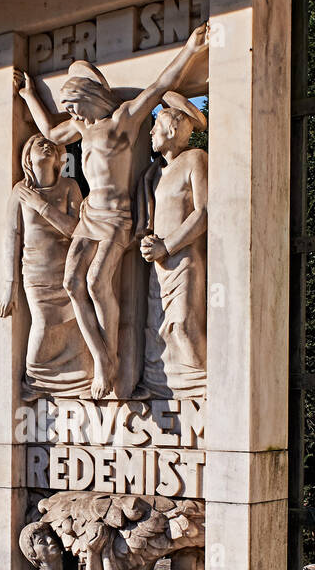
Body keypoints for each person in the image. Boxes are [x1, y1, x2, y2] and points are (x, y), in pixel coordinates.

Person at [14, 22, 209, 399]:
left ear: (89, 97)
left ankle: (109, 362)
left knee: (95, 283)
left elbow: (156, 87)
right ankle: (101, 358)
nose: (73, 114)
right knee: (72, 284)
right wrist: (28, 96)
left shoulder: (122, 122)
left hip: (116, 219)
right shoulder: (82, 129)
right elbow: (50, 133)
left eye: (75, 106)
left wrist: (190, 49)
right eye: (69, 109)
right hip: (89, 216)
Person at [0, 132, 91, 396]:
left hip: (69, 271)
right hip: (36, 272)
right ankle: (35, 380)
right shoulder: (20, 191)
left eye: (51, 145)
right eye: (40, 144)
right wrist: (9, 286)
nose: (47, 148)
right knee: (44, 323)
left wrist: (42, 207)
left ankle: (78, 382)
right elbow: (11, 238)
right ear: (27, 156)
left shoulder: (70, 187)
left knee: (75, 327)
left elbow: (79, 230)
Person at [135, 92, 208, 398]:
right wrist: (149, 242)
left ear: (173, 128)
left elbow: (204, 212)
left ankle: (203, 387)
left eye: (156, 125)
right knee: (156, 330)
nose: (151, 131)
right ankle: (157, 388)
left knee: (183, 325)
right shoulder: (154, 174)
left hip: (184, 259)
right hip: (158, 264)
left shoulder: (196, 159)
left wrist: (168, 245)